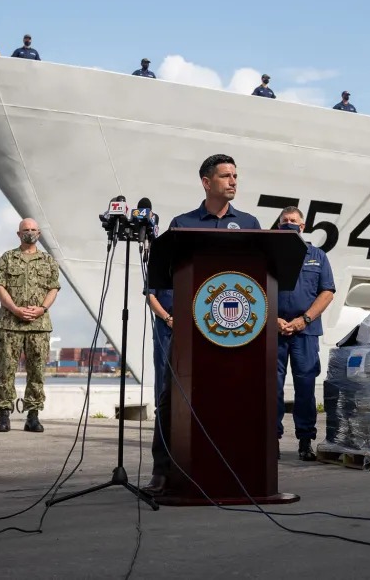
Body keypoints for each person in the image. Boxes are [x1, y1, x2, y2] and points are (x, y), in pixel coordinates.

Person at [145, 154, 262, 495]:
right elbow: (163, 280)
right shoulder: (182, 225)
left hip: (234, 332)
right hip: (188, 332)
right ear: (206, 181)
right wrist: (171, 317)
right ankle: (163, 471)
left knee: (234, 398)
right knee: (171, 398)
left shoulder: (251, 224)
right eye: (226, 176)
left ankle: (237, 469)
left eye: (236, 176)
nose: (233, 181)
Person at [274, 206, 335, 462]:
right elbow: (255, 289)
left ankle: (305, 441)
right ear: (278, 227)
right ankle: (270, 440)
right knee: (271, 388)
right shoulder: (270, 255)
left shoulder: (317, 256)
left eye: (293, 221)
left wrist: (304, 320)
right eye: (284, 221)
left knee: (305, 386)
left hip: (306, 333)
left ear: (302, 226)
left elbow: (327, 292)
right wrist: (272, 319)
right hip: (273, 332)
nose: (289, 224)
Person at [0, 218, 60, 434]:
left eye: (33, 230)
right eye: (25, 230)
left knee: (37, 372)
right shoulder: (7, 259)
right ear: (18, 234)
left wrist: (42, 309)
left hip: (38, 325)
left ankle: (33, 416)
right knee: (6, 371)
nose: (29, 233)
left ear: (38, 233)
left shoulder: (48, 261)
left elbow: (53, 288)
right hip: (10, 323)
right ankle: (4, 415)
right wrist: (14, 309)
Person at [146, 287, 174, 400]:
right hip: (164, 328)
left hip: (189, 326)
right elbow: (150, 297)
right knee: (163, 371)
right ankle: (161, 413)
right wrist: (167, 318)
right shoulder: (157, 270)